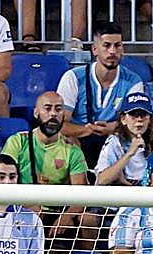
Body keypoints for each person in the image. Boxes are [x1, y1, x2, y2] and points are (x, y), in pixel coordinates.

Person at [57, 22, 145, 164]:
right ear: (94, 49)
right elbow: (60, 124)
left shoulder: (134, 81)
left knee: (133, 139)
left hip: (115, 139)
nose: (112, 51)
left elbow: (137, 122)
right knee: (66, 140)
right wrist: (86, 130)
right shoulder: (73, 77)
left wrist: (112, 128)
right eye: (106, 45)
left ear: (122, 49)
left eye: (117, 45)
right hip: (79, 138)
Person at [0, 91, 88, 187]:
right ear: (36, 113)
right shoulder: (17, 142)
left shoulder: (73, 151)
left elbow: (79, 193)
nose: (53, 113)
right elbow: (3, 181)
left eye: (58, 109)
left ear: (63, 115)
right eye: (47, 108)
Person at [94, 91, 153, 187]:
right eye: (134, 114)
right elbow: (101, 180)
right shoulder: (114, 142)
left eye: (143, 114)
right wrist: (129, 153)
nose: (139, 119)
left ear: (150, 120)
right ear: (123, 119)